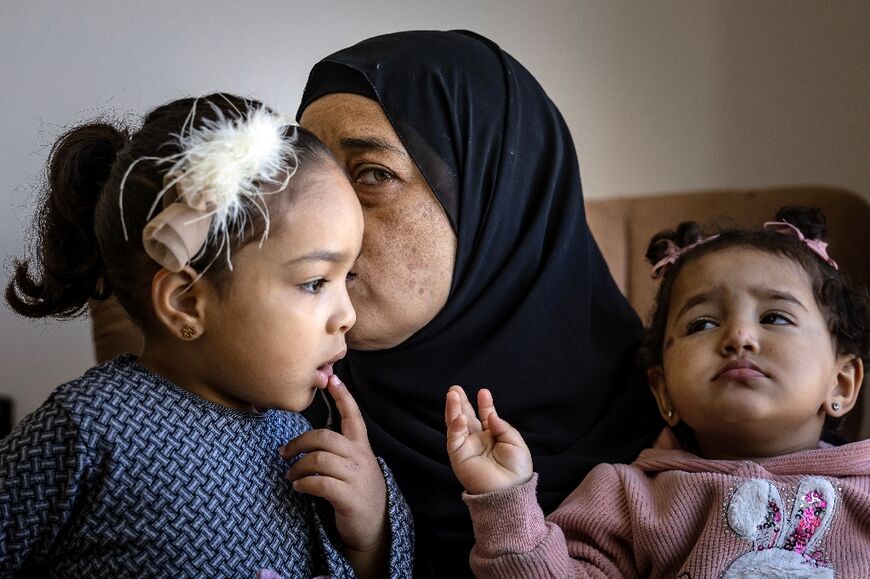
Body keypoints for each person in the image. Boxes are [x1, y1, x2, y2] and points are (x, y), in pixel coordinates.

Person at [296, 29, 663, 576]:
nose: (316, 221)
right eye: (308, 177)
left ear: (498, 204)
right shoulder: (270, 407)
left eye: (373, 175)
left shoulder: (684, 420)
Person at [0, 93, 412, 578]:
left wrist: (368, 533)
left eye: (348, 279)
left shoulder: (306, 446)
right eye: (314, 282)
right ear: (185, 303)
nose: (346, 315)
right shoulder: (86, 429)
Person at [446, 206, 870, 577]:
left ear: (842, 381)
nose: (739, 336)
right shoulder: (625, 497)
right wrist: (505, 503)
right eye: (702, 324)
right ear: (663, 391)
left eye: (775, 317)